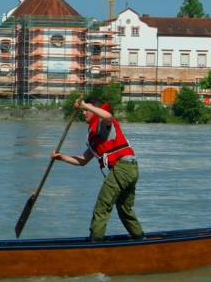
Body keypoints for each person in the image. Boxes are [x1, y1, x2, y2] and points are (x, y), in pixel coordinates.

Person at [51, 98, 145, 241]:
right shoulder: (94, 137)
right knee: (124, 209)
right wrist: (61, 157)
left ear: (93, 110)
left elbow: (107, 116)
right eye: (82, 110)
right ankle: (139, 238)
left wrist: (85, 104)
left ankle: (95, 241)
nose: (83, 113)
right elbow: (82, 161)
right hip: (129, 169)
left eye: (86, 111)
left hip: (123, 168)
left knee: (102, 206)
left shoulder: (104, 121)